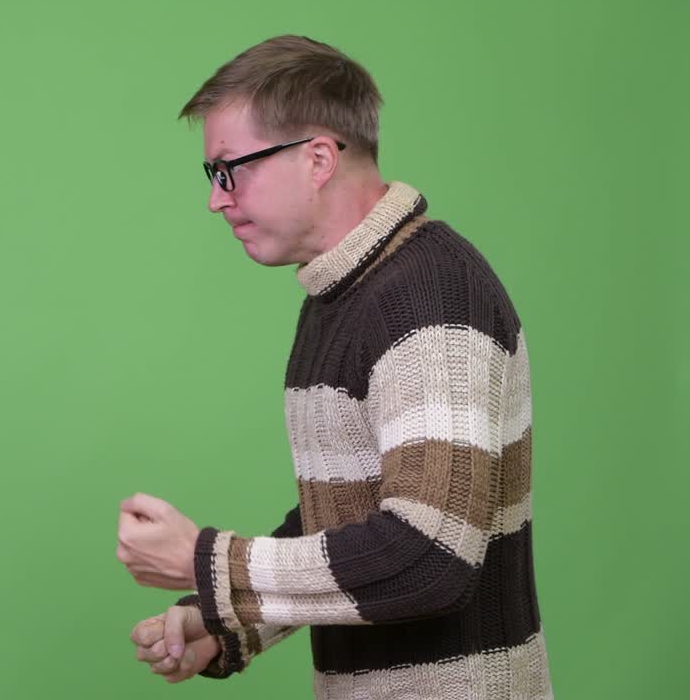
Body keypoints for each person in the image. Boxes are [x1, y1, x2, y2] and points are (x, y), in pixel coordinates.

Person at [116, 35, 552, 698]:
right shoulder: (344, 294)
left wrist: (209, 563)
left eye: (230, 169)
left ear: (318, 158)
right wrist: (227, 623)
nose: (217, 199)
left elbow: (429, 557)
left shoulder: (430, 295)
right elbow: (352, 521)